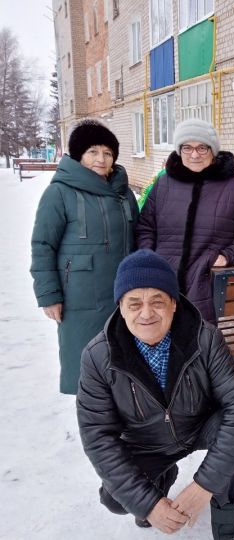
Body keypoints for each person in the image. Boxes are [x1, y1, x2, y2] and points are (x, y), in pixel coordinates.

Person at [76, 249, 234, 539]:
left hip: (201, 427)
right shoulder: (98, 357)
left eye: (157, 302)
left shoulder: (205, 338)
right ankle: (161, 479)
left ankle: (227, 527)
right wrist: (147, 503)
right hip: (146, 442)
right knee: (115, 500)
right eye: (134, 303)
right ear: (120, 308)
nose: (146, 313)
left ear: (174, 304)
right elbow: (98, 437)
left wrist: (204, 486)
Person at [30, 119, 139, 395]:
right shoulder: (59, 193)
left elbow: (138, 236)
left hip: (123, 293)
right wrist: (49, 295)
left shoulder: (123, 193)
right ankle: (95, 426)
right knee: (87, 366)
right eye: (93, 152)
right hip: (80, 297)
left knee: (126, 364)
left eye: (107, 153)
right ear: (79, 155)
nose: (101, 159)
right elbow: (43, 245)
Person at [135, 118, 234, 323]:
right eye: (187, 148)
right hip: (163, 284)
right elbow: (145, 227)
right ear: (178, 150)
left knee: (203, 348)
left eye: (202, 148)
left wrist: (226, 257)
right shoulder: (164, 184)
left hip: (207, 286)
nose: (194, 154)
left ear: (213, 151)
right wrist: (150, 256)